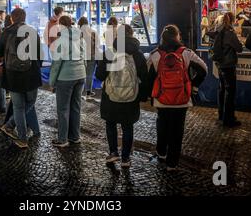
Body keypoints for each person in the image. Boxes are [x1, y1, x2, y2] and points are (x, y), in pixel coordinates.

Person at [147, 25, 207, 171]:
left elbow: (147, 76)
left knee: (162, 125)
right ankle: (172, 163)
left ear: (162, 37)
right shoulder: (186, 53)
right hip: (182, 100)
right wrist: (193, 86)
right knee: (177, 130)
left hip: (162, 100)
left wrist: (152, 92)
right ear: (177, 36)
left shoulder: (155, 54)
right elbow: (203, 69)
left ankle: (161, 152)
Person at [96, 25, 148, 168]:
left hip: (110, 96)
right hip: (131, 97)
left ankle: (113, 152)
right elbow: (145, 76)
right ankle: (125, 158)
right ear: (131, 35)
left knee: (111, 124)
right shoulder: (137, 54)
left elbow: (99, 75)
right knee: (127, 126)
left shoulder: (110, 52)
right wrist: (142, 96)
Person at [0, 8, 42, 149]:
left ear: (12, 18)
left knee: (18, 106)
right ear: (24, 17)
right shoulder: (32, 31)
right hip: (31, 74)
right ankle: (10, 125)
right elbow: (39, 55)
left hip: (13, 75)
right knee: (31, 102)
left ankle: (22, 138)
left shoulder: (6, 32)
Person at [49, 15, 86, 147]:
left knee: (63, 109)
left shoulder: (61, 40)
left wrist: (52, 82)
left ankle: (63, 139)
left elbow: (56, 64)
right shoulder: (80, 37)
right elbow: (85, 57)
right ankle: (75, 136)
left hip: (66, 77)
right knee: (76, 107)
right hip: (80, 75)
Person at [210, 12, 243, 127]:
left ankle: (221, 114)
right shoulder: (229, 33)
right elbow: (239, 49)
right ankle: (229, 119)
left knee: (222, 89)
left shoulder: (217, 32)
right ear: (231, 20)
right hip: (228, 65)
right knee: (230, 91)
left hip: (220, 64)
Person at [78, 16, 100, 99]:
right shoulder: (93, 32)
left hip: (81, 57)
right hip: (91, 56)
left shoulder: (77, 33)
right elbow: (97, 46)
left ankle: (79, 93)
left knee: (80, 75)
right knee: (89, 75)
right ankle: (88, 93)